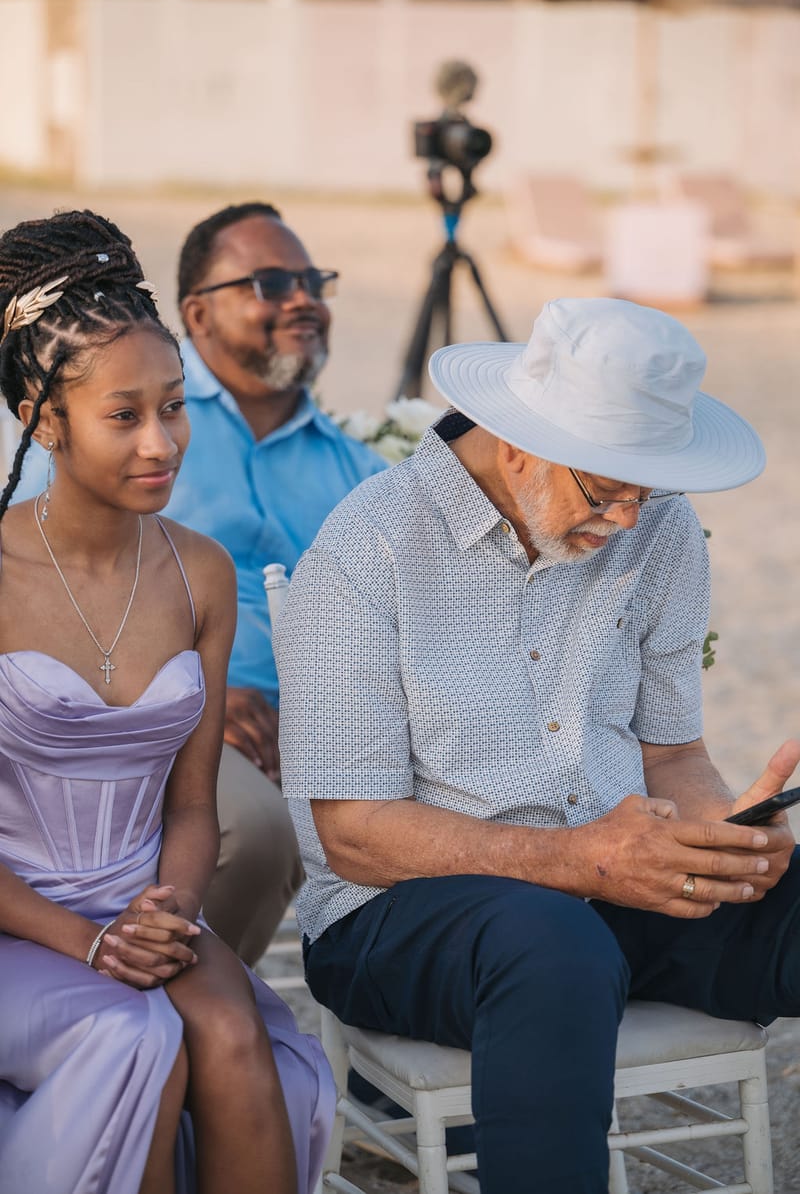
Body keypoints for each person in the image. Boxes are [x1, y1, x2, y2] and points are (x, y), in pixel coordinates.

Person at [275, 296, 800, 1194]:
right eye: (609, 488)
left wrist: (730, 837)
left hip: (610, 886)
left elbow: (672, 755)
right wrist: (579, 862)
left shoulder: (661, 531)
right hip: (396, 911)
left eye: (651, 486)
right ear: (518, 442)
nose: (632, 518)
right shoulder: (370, 545)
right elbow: (351, 833)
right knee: (550, 943)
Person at [0, 209, 334, 1194]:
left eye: (176, 407)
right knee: (136, 1034)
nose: (162, 443)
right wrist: (87, 939)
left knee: (236, 1035)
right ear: (41, 415)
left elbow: (192, 802)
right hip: (19, 922)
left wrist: (170, 906)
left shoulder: (201, 574)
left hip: (144, 899)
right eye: (123, 415)